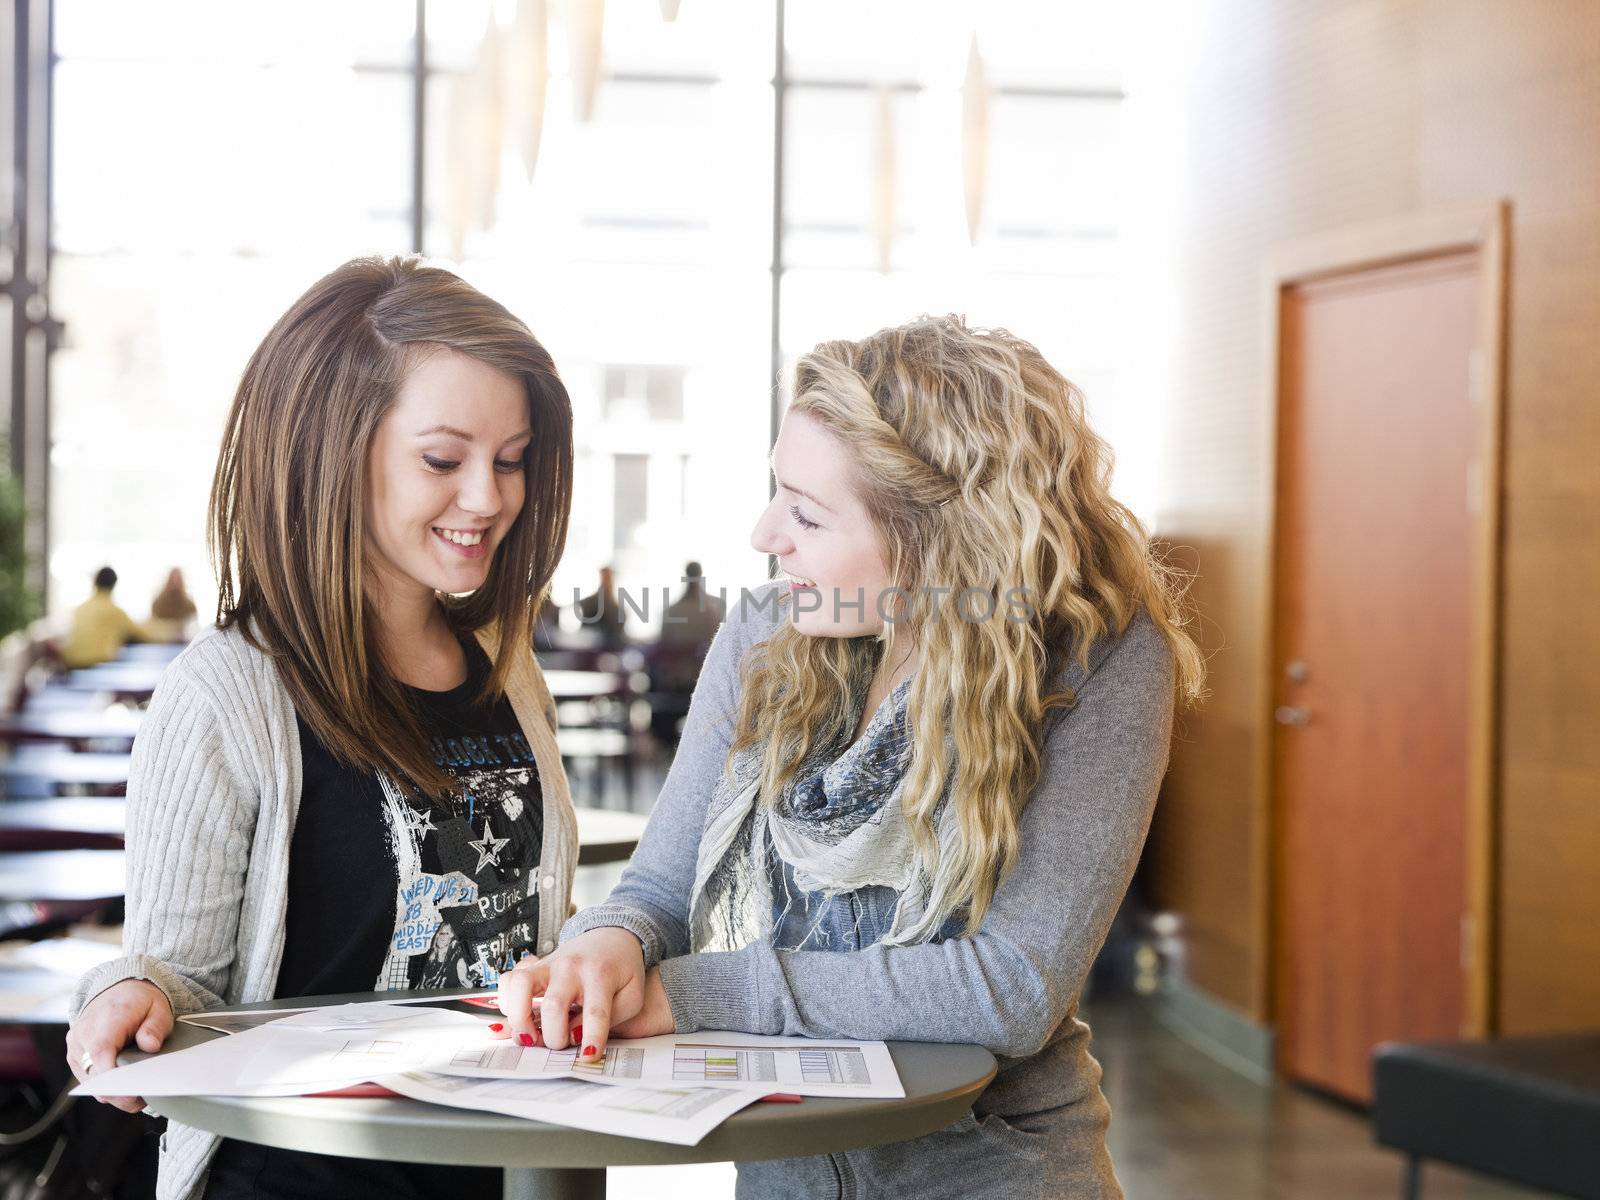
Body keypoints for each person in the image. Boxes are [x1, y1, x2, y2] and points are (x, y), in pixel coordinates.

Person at [495, 315, 1206, 1197]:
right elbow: (658, 889)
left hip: (992, 1173)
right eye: (776, 493)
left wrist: (694, 996)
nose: (764, 534)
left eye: (806, 512)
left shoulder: (1100, 657)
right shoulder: (764, 633)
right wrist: (607, 946)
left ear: (939, 538)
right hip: (784, 1168)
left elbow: (1014, 988)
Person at [64, 257, 581, 1200]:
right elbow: (176, 980)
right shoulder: (227, 693)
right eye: (443, 459)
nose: (491, 497)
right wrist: (124, 996)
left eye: (511, 460)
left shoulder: (510, 669)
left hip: (495, 1169)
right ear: (334, 448)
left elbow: (524, 924)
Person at [60, 566, 143, 668]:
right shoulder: (114, 611)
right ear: (114, 585)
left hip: (71, 666)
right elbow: (141, 634)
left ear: (95, 582)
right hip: (97, 665)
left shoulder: (80, 608)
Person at [574, 563, 626, 648]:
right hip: (591, 646)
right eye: (605, 577)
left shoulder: (617, 608)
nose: (607, 580)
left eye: (609, 577)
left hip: (610, 648)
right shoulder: (590, 603)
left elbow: (619, 632)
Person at [146, 567, 198, 643]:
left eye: (177, 579)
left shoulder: (189, 604)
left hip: (182, 643)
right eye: (173, 579)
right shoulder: (158, 602)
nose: (175, 582)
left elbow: (192, 625)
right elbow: (154, 624)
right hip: (162, 643)